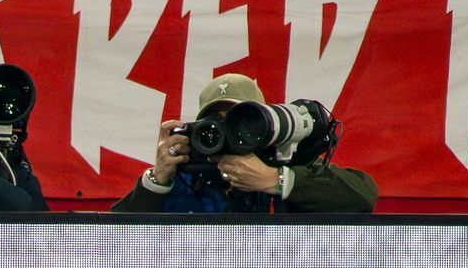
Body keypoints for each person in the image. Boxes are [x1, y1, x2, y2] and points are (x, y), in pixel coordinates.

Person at [111, 74, 377, 214]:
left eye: (239, 124)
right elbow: (110, 242)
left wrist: (276, 180)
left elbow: (363, 196)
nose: (229, 136)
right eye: (216, 123)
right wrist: (156, 180)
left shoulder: (284, 162)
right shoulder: (189, 175)